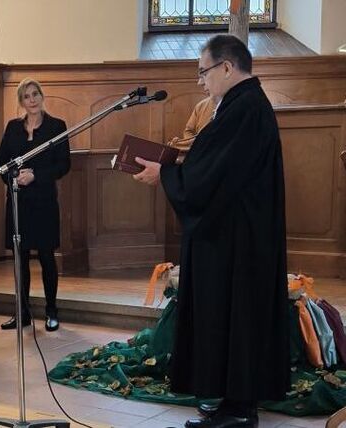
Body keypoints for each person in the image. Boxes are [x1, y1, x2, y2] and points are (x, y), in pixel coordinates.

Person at [133, 35, 289, 427]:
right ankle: (234, 404)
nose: (201, 81)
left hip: (239, 239)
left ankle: (239, 410)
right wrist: (173, 172)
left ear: (227, 67)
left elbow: (210, 175)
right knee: (235, 318)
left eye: (203, 72)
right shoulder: (243, 106)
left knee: (237, 317)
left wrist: (165, 174)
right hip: (237, 234)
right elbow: (212, 164)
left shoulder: (244, 109)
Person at [0, 78, 70, 332]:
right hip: (19, 202)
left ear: (41, 96)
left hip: (44, 202)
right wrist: (14, 177)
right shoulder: (13, 127)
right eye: (26, 96)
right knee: (21, 258)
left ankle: (52, 312)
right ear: (21, 101)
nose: (32, 100)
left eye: (35, 94)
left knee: (47, 257)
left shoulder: (56, 126)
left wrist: (36, 175)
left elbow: (64, 165)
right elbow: (1, 162)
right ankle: (23, 313)